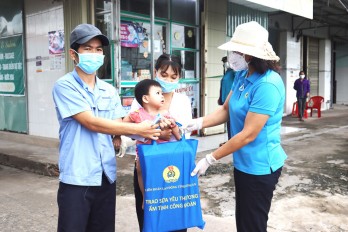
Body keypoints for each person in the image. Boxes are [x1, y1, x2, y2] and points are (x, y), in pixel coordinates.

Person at [52, 23, 161, 232]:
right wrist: (139, 129)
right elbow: (90, 122)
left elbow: (118, 125)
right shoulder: (64, 86)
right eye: (88, 48)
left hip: (105, 176)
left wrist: (156, 123)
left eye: (99, 49)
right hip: (78, 176)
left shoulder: (109, 90)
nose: (94, 54)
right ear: (74, 54)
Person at [186, 21, 287, 232]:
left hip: (260, 167)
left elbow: (248, 134)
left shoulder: (267, 84)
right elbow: (225, 109)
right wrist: (198, 123)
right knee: (243, 220)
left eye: (236, 50)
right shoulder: (243, 75)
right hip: (243, 164)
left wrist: (210, 158)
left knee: (253, 224)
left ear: (250, 54)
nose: (232, 54)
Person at [131, 54, 192, 232]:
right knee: (149, 217)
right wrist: (158, 134)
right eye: (164, 75)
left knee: (176, 215)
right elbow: (131, 129)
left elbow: (185, 132)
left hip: (175, 166)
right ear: (155, 72)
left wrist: (172, 131)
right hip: (148, 163)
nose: (168, 80)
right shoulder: (142, 98)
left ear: (179, 77)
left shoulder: (183, 101)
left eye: (174, 77)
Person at [217, 56, 235, 143]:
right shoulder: (227, 72)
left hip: (232, 100)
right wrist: (220, 97)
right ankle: (230, 140)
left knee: (232, 122)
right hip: (225, 100)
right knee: (228, 122)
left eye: (226, 62)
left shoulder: (234, 72)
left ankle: (232, 140)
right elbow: (223, 86)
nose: (225, 64)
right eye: (224, 62)